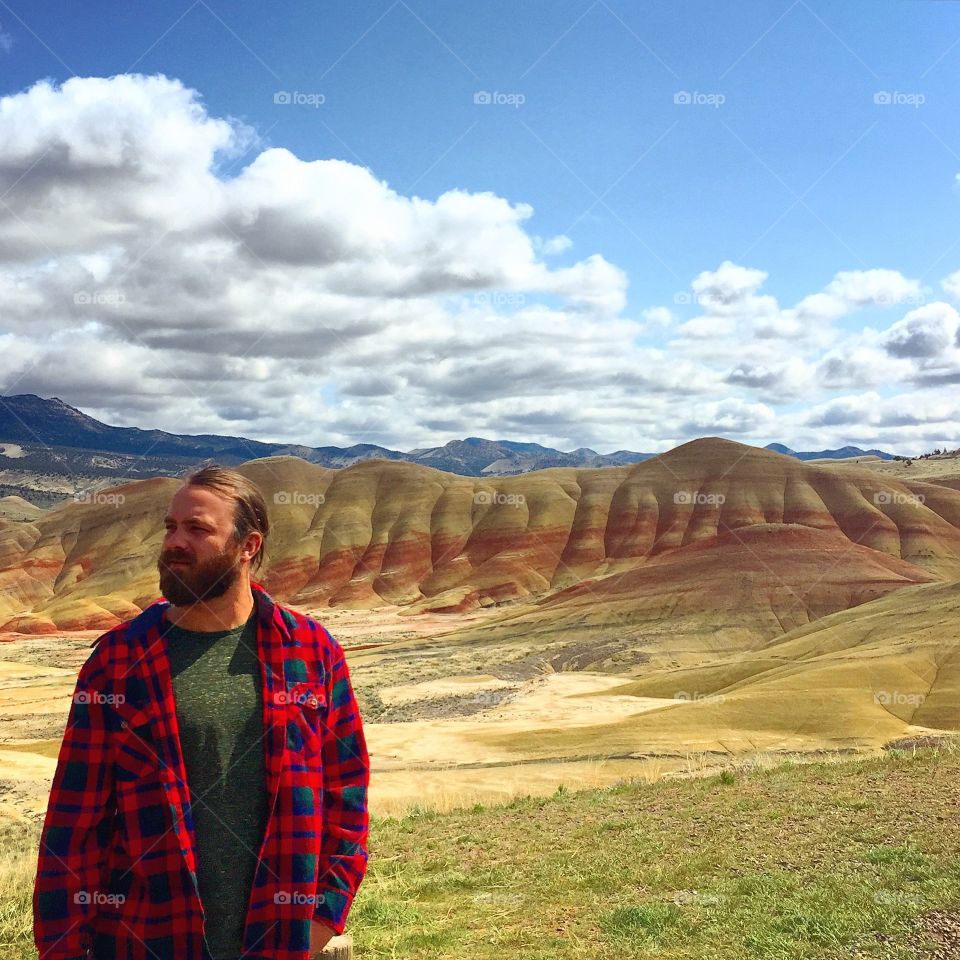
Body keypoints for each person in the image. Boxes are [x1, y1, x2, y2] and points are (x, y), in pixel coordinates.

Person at [33, 465, 370, 960]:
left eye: (197, 529)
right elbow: (74, 820)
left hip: (276, 939)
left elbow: (346, 793)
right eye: (171, 527)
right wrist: (62, 947)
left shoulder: (311, 652)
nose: (175, 542)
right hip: (146, 939)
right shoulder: (118, 661)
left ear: (248, 546)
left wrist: (322, 918)